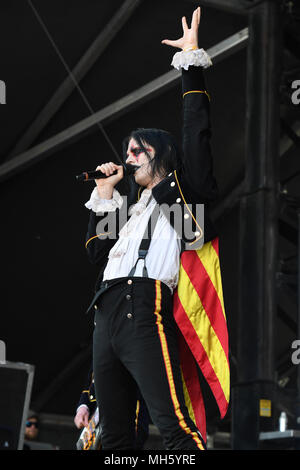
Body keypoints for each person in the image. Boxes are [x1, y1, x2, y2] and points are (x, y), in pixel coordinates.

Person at [84, 8, 229, 450]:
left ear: (160, 153)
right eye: (126, 151)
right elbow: (97, 251)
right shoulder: (130, 207)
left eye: (135, 150)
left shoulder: (185, 189)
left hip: (143, 305)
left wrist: (191, 65)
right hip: (106, 309)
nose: (127, 158)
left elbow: (197, 132)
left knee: (173, 426)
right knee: (114, 435)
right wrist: (106, 192)